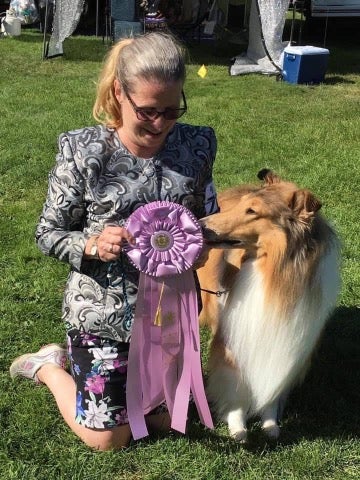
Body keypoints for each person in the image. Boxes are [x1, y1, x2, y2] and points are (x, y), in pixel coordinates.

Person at [9, 31, 218, 451]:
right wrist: (91, 244)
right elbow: (48, 232)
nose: (159, 124)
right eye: (147, 111)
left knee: (165, 423)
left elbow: (205, 215)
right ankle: (48, 366)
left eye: (171, 111)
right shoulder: (82, 151)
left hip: (169, 315)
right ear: (120, 94)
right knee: (108, 439)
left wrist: (201, 243)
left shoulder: (197, 145)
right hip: (102, 313)